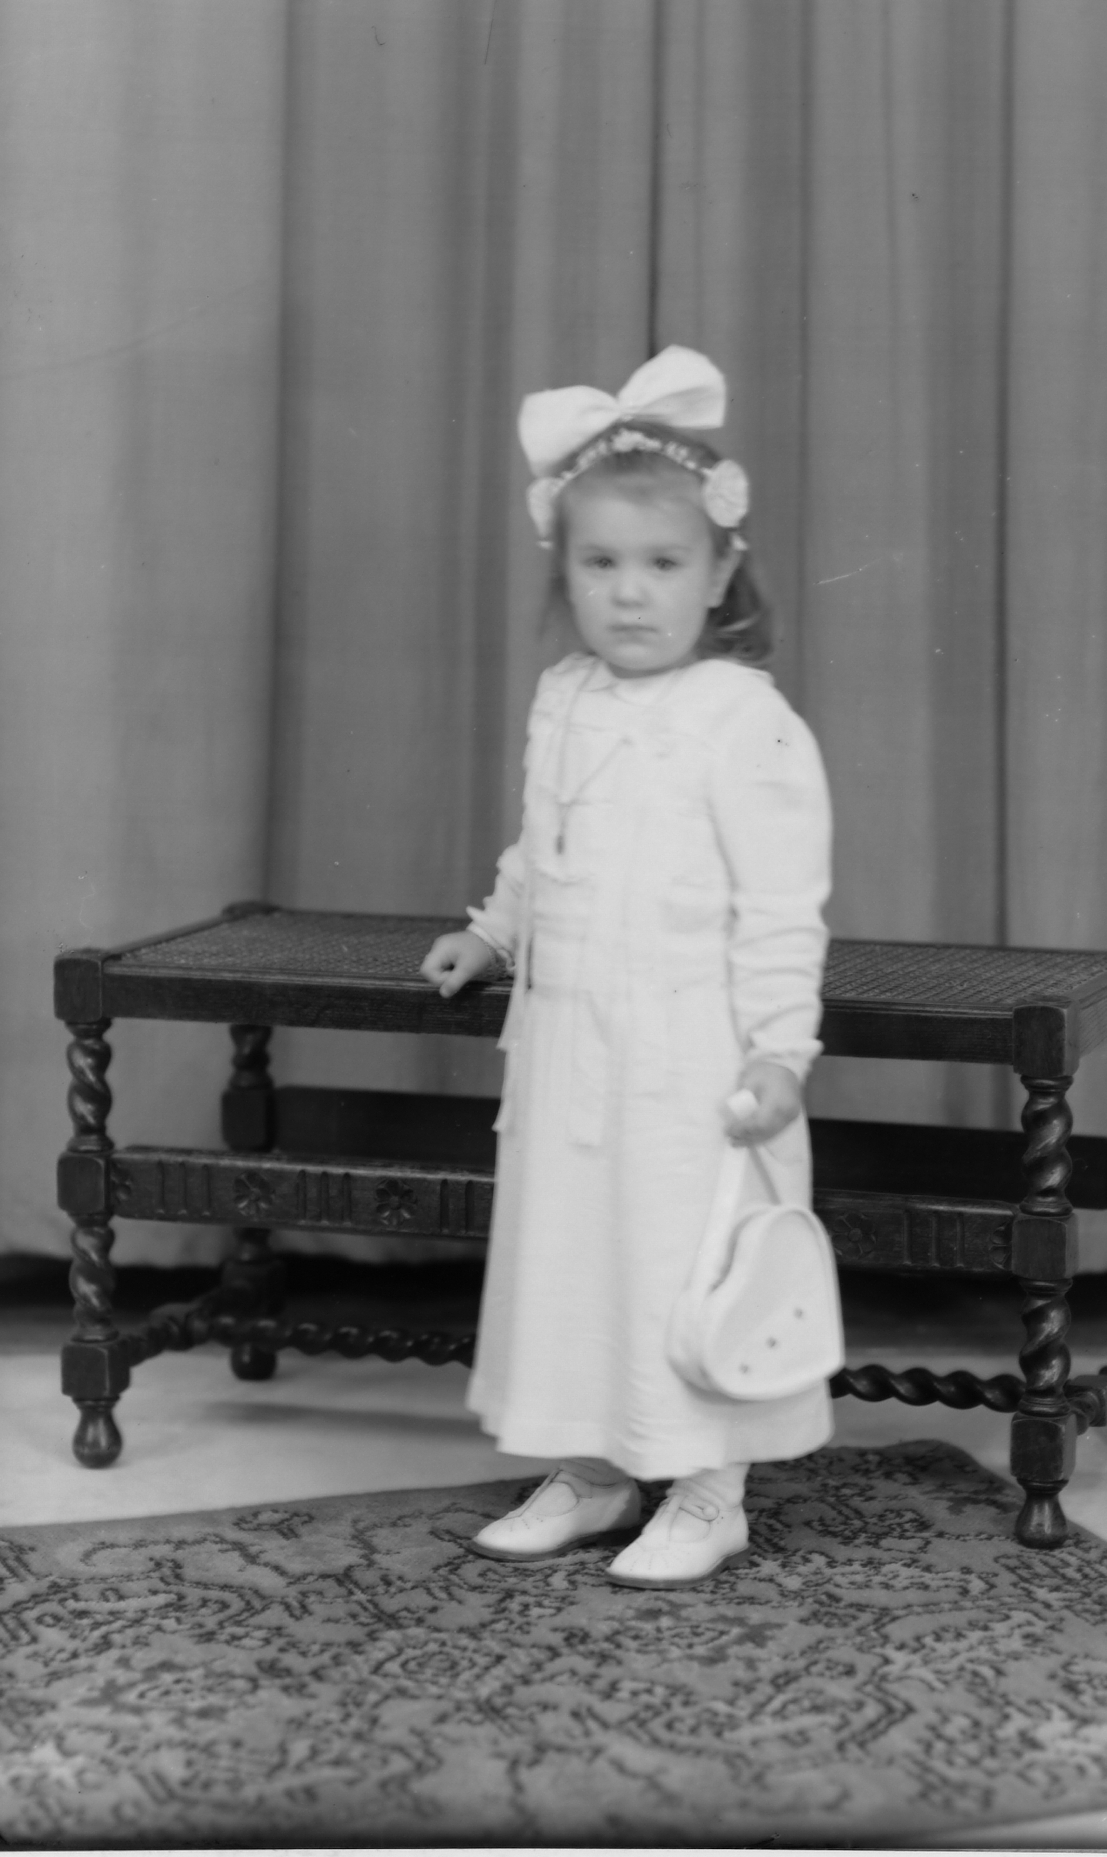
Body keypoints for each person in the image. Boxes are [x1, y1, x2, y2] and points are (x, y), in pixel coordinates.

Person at [420, 346, 834, 1589]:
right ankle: (594, 1466)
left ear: (718, 572)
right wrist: (495, 929)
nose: (630, 594)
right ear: (565, 571)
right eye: (600, 565)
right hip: (569, 1044)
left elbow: (782, 909)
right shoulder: (566, 695)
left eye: (662, 564)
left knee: (676, 1261)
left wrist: (779, 1050)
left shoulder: (742, 719)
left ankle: (707, 1491)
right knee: (574, 1256)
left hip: (689, 1055)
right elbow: (543, 842)